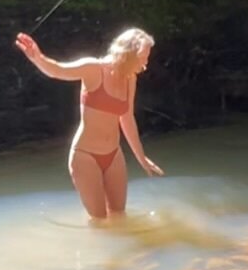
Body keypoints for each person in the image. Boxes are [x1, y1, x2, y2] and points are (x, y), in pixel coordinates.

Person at [14, 27, 164, 220]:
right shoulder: (93, 68)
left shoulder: (130, 79)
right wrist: (38, 57)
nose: (146, 63)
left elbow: (127, 118)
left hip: (114, 154)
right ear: (128, 53)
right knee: (100, 220)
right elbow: (58, 70)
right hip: (86, 156)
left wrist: (141, 157)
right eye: (143, 57)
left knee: (119, 216)